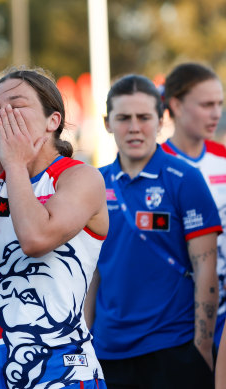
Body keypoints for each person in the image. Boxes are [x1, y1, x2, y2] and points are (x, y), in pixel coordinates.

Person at [0, 67, 109, 388]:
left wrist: (14, 163)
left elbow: (35, 239)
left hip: (61, 364)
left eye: (16, 104)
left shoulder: (79, 177)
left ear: (52, 121)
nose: (2, 115)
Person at [86, 74, 221, 388]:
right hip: (108, 350)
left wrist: (201, 347)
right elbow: (91, 272)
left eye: (144, 117)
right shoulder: (93, 183)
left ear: (161, 121)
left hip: (172, 347)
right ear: (107, 123)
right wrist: (86, 339)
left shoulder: (185, 178)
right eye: (123, 118)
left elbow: (206, 269)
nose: (134, 127)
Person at [160, 63, 226, 346]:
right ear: (176, 104)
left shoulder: (222, 158)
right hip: (173, 319)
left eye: (219, 104)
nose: (216, 113)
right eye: (206, 104)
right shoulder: (155, 164)